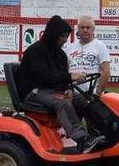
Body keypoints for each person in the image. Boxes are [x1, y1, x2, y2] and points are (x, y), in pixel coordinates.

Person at [18, 15, 105, 154]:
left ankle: (98, 135)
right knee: (63, 102)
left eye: (66, 36)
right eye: (62, 36)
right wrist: (70, 77)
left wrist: (68, 88)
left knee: (86, 100)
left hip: (51, 91)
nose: (65, 40)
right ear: (53, 34)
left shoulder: (60, 55)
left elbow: (60, 78)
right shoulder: (35, 52)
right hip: (34, 91)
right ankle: (82, 140)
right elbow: (44, 77)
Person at [63, 15, 111, 96]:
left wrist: (97, 92)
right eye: (82, 27)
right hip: (73, 94)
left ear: (93, 29)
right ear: (78, 29)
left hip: (92, 94)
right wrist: (67, 88)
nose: (85, 30)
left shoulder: (100, 46)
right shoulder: (69, 47)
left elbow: (106, 72)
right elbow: (65, 72)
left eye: (88, 27)